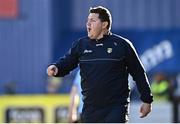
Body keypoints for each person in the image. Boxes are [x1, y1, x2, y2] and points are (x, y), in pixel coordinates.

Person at [47, 6, 153, 123]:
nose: (88, 24)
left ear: (104, 25)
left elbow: (138, 73)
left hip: (116, 109)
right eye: (87, 20)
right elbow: (67, 62)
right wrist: (57, 68)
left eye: (92, 20)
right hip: (90, 110)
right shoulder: (81, 45)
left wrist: (147, 100)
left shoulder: (122, 45)